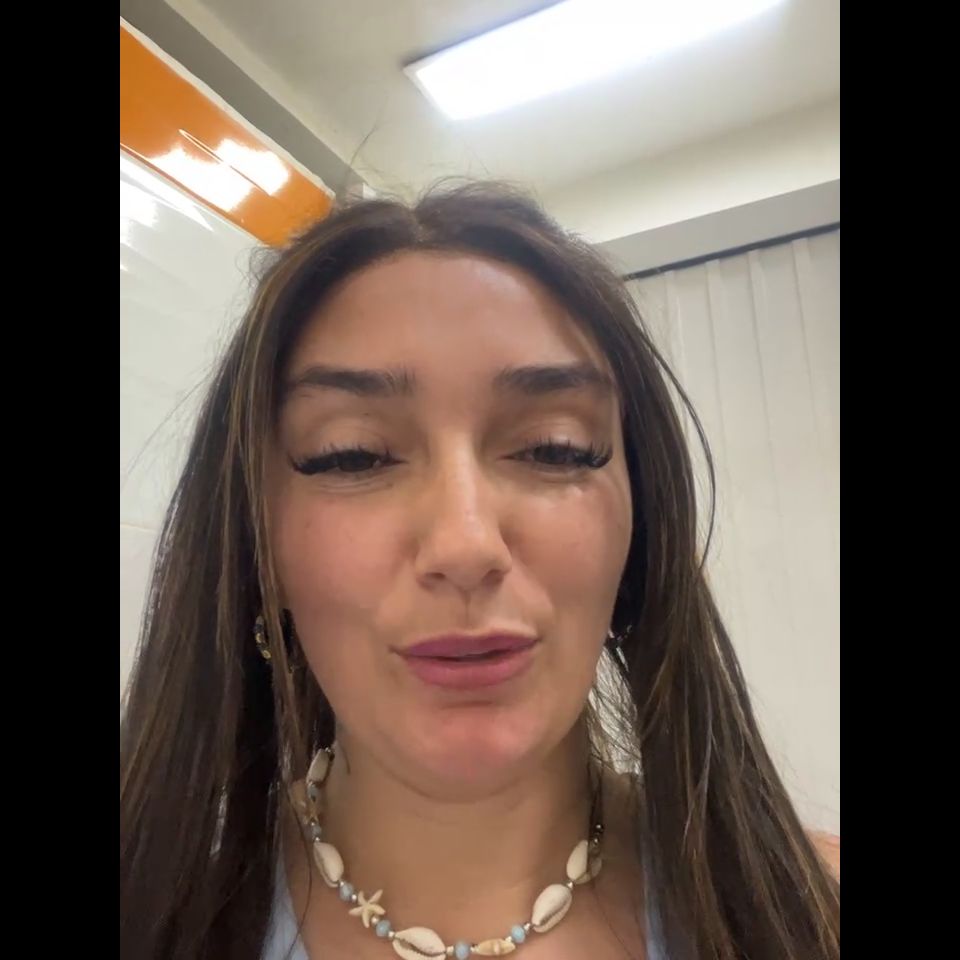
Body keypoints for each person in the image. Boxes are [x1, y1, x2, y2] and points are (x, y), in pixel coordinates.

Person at [120, 182, 840, 960]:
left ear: (641, 531)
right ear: (256, 544)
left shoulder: (811, 915)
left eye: (555, 447)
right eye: (351, 454)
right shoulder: (151, 909)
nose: (465, 544)